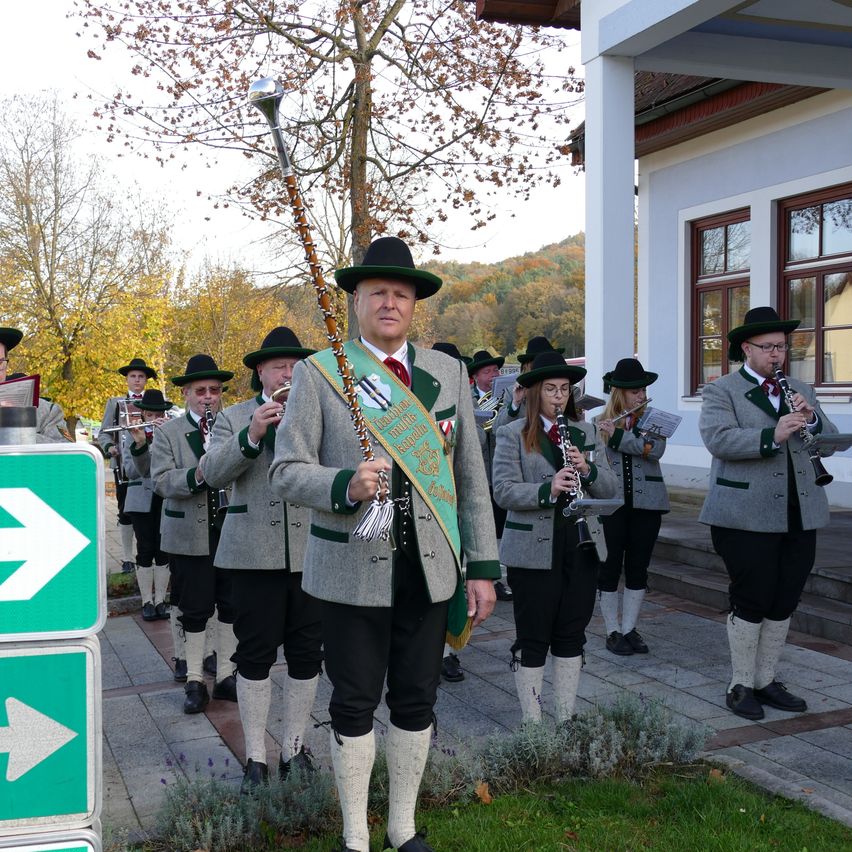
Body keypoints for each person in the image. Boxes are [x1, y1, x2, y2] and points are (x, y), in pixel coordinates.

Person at [269, 237, 499, 852]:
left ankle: (401, 828)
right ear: (356, 301)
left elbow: (469, 478)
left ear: (415, 305)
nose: (391, 303)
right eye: (378, 293)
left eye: (401, 294)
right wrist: (344, 482)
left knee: (417, 699)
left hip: (429, 570)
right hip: (349, 570)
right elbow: (285, 471)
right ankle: (354, 837)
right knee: (352, 702)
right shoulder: (321, 374)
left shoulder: (447, 373)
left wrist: (481, 567)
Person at [699, 306, 839, 721]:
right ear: (747, 348)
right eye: (769, 347)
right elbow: (718, 439)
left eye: (782, 346)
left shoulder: (799, 388)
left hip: (800, 513)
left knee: (785, 597)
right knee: (752, 596)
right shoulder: (721, 389)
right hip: (743, 515)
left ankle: (766, 679)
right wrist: (770, 434)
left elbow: (832, 442)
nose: (777, 354)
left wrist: (811, 419)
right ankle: (740, 682)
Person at [203, 327, 323, 793]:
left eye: (295, 366)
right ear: (260, 372)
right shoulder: (233, 416)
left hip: (312, 552)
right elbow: (211, 473)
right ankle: (256, 756)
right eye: (278, 366)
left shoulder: (316, 414)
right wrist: (253, 433)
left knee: (307, 654)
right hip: (252, 555)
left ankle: (294, 748)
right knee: (254, 655)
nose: (288, 373)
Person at [493, 351, 617, 725]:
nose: (560, 396)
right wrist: (546, 489)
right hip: (532, 550)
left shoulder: (588, 432)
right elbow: (502, 490)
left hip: (581, 545)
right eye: (551, 389)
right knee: (533, 635)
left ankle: (566, 719)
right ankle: (533, 724)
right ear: (534, 393)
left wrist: (588, 468)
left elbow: (611, 488)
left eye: (565, 389)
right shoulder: (511, 433)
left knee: (571, 633)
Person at [151, 354, 238, 715]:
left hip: (231, 530)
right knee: (195, 609)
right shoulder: (167, 432)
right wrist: (197, 476)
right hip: (188, 534)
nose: (208, 396)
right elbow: (160, 480)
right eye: (200, 390)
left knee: (232, 605)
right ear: (186, 393)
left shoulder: (234, 426)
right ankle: (195, 681)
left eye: (214, 390)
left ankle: (228, 675)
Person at [594, 358, 668, 656]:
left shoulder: (653, 420)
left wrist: (620, 436)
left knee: (639, 567)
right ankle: (612, 630)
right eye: (635, 391)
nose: (641, 396)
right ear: (619, 393)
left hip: (648, 505)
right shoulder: (598, 422)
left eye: (643, 390)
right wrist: (604, 435)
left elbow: (655, 450)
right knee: (609, 568)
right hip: (610, 506)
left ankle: (630, 628)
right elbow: (592, 461)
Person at [98, 357, 158, 574]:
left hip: (153, 467)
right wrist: (109, 449)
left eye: (141, 377)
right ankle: (126, 557)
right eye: (133, 376)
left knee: (152, 510)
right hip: (124, 466)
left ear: (146, 380)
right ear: (127, 379)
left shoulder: (154, 402)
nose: (137, 380)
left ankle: (151, 555)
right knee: (125, 511)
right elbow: (104, 433)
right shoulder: (115, 404)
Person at [122, 389, 173, 621]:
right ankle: (146, 602)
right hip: (140, 499)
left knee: (163, 550)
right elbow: (131, 471)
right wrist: (144, 444)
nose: (154, 419)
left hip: (164, 498)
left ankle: (161, 600)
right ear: (142, 413)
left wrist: (166, 435)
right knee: (145, 548)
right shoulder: (130, 434)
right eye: (150, 415)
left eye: (158, 414)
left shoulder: (171, 433)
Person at [467, 348, 513, 604]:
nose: (494, 375)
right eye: (488, 371)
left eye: (496, 370)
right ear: (476, 377)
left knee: (500, 527)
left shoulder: (507, 397)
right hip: (481, 472)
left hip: (501, 472)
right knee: (484, 526)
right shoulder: (470, 396)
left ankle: (500, 579)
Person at [0, 326, 71, 443]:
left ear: (6, 364)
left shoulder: (49, 412)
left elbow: (68, 453)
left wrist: (17, 432)